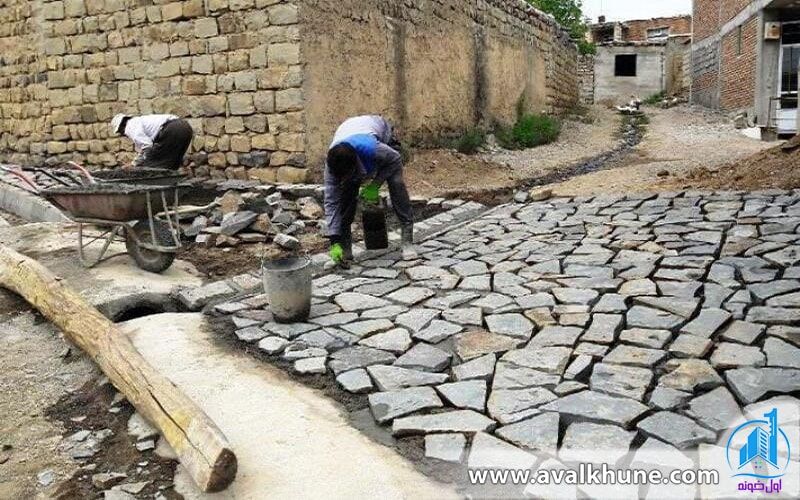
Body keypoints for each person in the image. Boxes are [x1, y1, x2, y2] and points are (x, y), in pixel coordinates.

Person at [324, 115, 416, 267]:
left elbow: (395, 160)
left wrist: (375, 185)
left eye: (350, 174)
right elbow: (331, 202)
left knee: (396, 183)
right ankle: (345, 250)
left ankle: (407, 240)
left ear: (356, 164)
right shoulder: (331, 166)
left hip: (379, 130)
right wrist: (334, 240)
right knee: (346, 195)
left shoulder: (374, 149)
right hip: (350, 130)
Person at [110, 114, 193, 170]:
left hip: (172, 129)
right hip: (185, 127)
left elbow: (147, 147)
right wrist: (135, 162)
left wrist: (134, 164)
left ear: (121, 128)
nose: (123, 135)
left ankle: (157, 185)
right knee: (172, 161)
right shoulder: (139, 121)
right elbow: (146, 147)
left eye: (120, 132)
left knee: (152, 163)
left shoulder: (130, 127)